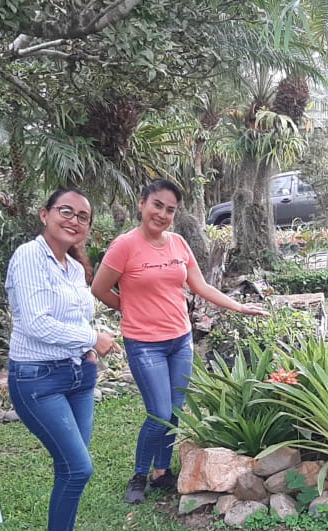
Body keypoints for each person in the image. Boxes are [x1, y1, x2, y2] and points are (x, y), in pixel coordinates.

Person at [93, 179, 267, 504]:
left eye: (170, 209)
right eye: (157, 205)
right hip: (145, 343)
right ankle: (139, 475)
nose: (162, 214)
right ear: (142, 203)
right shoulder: (124, 246)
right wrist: (129, 307)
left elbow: (201, 286)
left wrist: (239, 306)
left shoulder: (178, 244)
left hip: (180, 340)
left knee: (174, 411)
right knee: (158, 412)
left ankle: (161, 472)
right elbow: (100, 289)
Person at [6, 188, 117, 531]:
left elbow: (71, 319)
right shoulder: (29, 257)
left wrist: (85, 353)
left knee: (71, 466)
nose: (74, 220)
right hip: (38, 380)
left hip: (76, 377)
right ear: (45, 214)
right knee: (78, 467)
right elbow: (35, 323)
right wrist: (91, 340)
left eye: (83, 216)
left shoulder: (72, 267)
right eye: (66, 211)